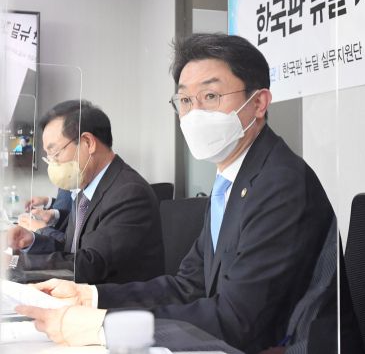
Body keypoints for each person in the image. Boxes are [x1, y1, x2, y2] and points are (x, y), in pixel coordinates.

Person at [17, 34, 336, 353]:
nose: (194, 114)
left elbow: (237, 322)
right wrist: (90, 297)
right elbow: (189, 286)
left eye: (210, 96)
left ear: (258, 103)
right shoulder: (230, 179)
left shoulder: (279, 182)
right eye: (184, 101)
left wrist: (104, 325)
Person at [7, 100, 165, 284]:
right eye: (48, 157)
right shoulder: (86, 188)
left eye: (55, 153)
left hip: (111, 299)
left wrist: (15, 263)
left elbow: (90, 265)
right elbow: (72, 249)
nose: (52, 164)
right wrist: (31, 240)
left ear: (88, 143)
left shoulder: (129, 193)